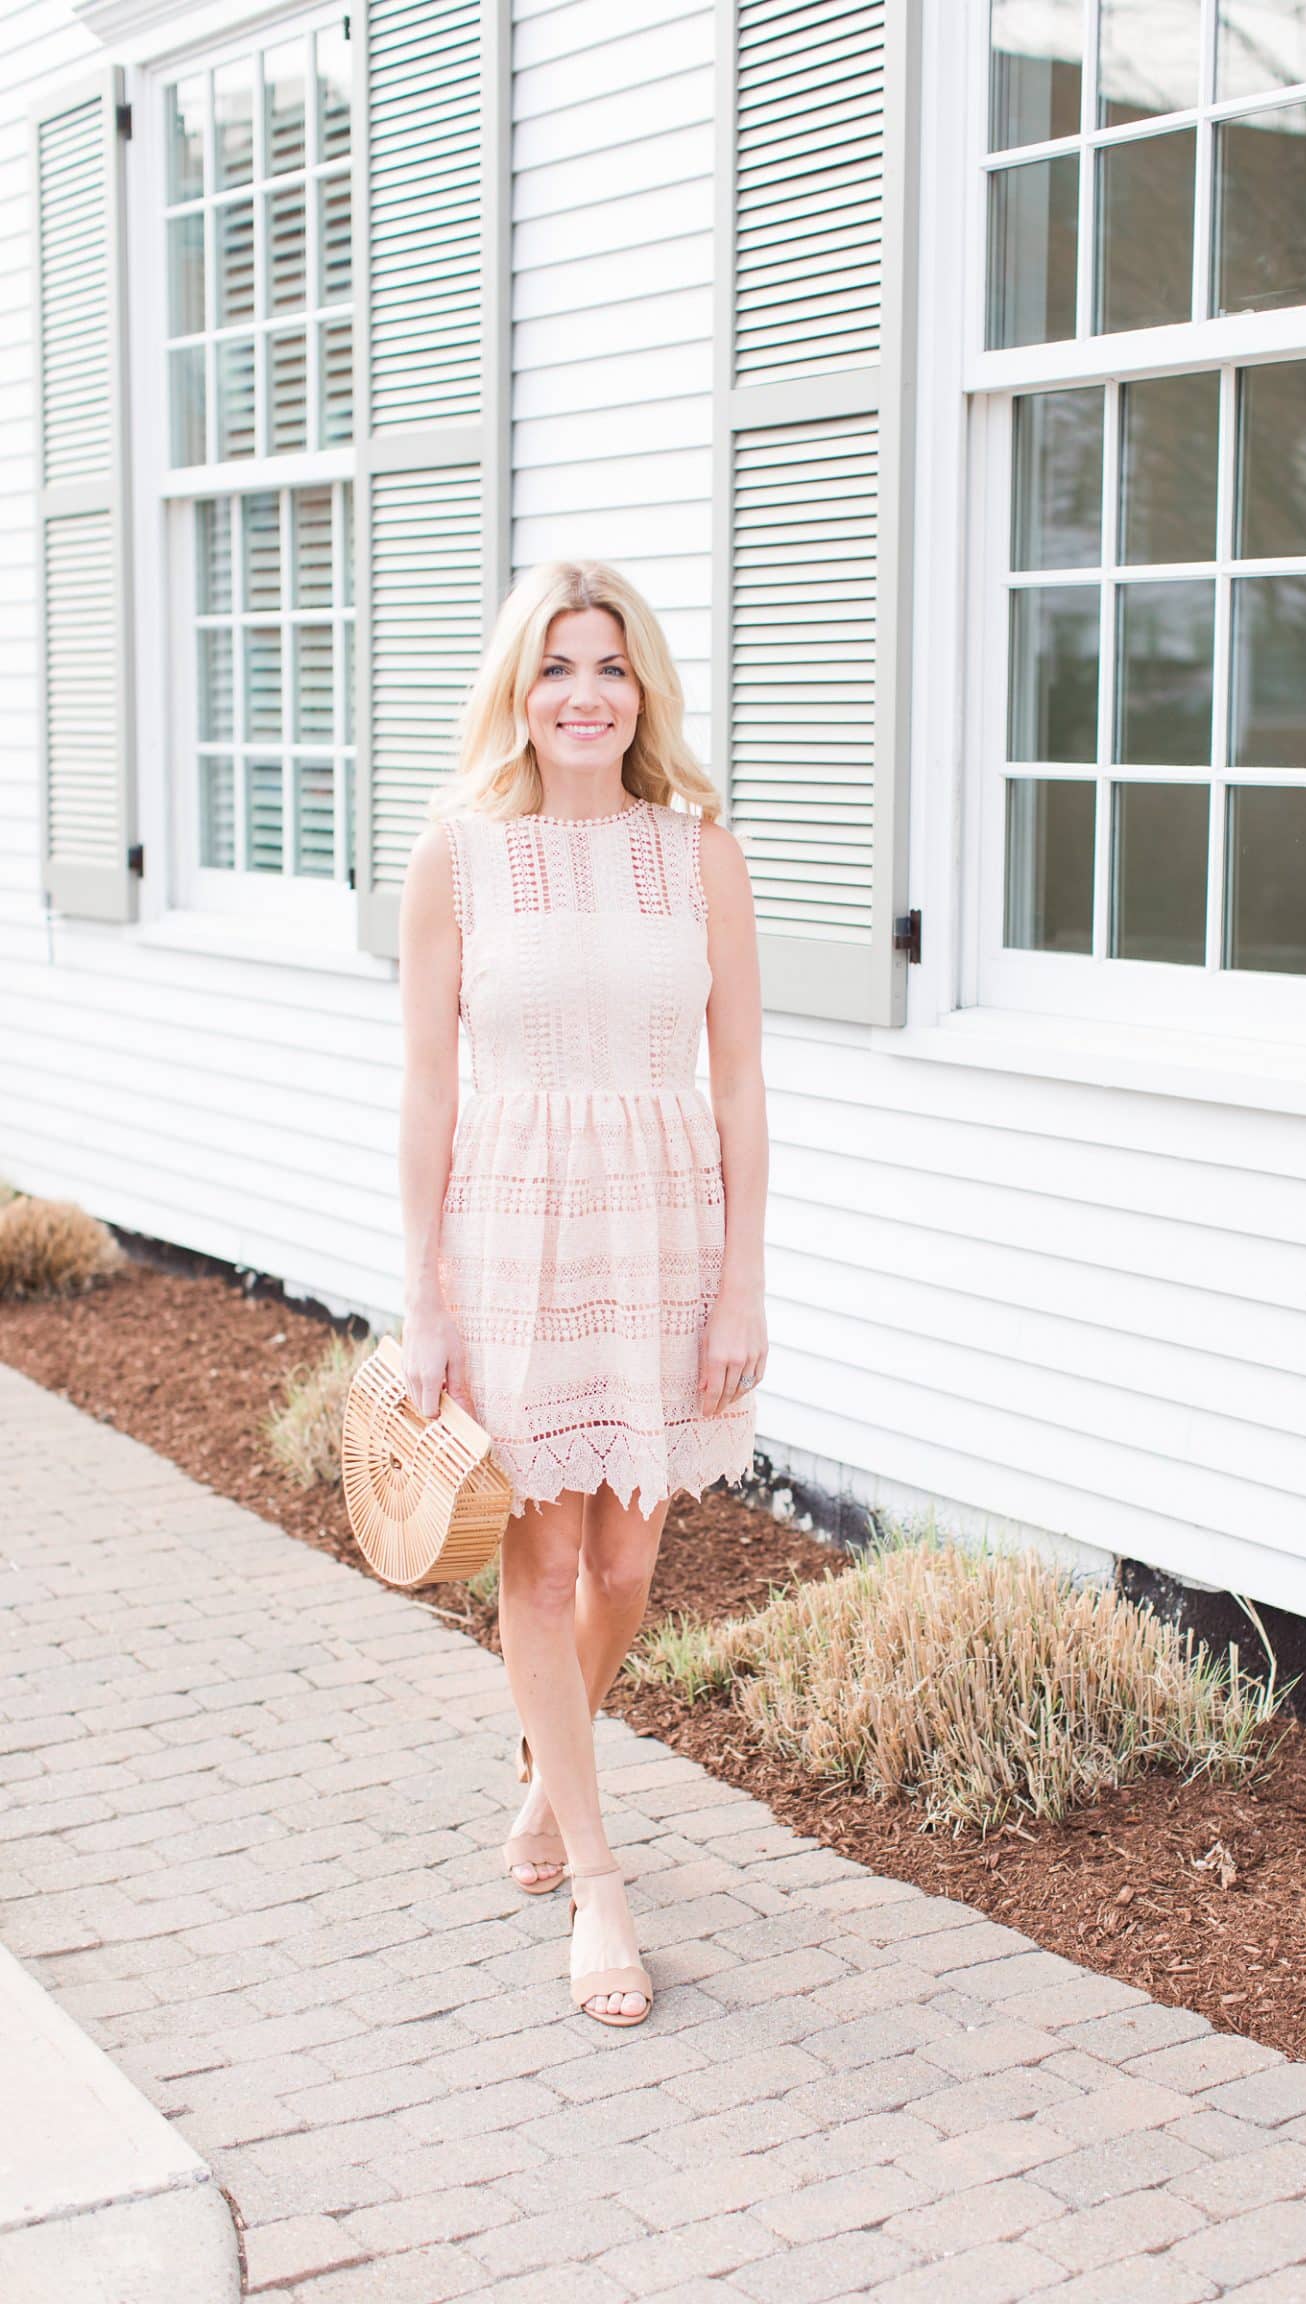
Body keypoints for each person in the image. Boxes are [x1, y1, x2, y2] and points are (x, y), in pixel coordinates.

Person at [395, 560, 769, 2030]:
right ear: (518, 689)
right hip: (513, 1230)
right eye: (556, 667)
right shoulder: (460, 855)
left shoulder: (700, 855)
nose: (584, 695)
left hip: (666, 1233)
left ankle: (548, 1765)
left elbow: (738, 1080)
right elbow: (429, 1087)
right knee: (542, 1567)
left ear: (642, 690)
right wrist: (425, 1296)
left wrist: (744, 1280)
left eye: (610, 668)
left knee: (626, 1566)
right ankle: (599, 1878)